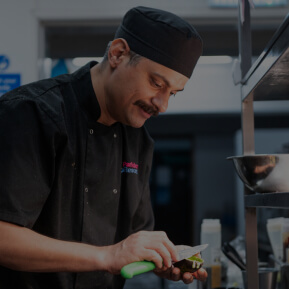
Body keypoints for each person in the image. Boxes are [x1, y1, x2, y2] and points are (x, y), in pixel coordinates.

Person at [0, 6, 206, 289]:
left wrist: (162, 258)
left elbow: (133, 240)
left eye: (172, 93)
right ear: (118, 54)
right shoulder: (31, 114)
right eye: (156, 83)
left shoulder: (139, 141)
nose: (163, 105)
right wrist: (107, 255)